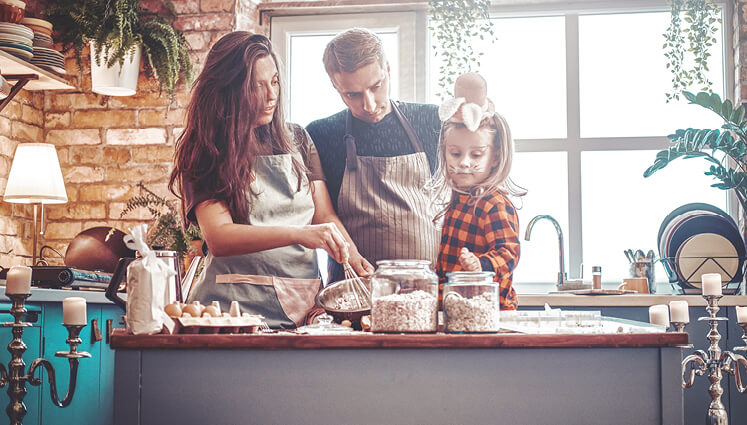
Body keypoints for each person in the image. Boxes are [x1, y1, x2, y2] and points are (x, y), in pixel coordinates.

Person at [169, 31, 368, 328]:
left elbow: (323, 215)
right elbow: (219, 237)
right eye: (256, 86)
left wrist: (355, 259)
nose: (271, 95)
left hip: (302, 309)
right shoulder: (205, 149)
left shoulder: (297, 139)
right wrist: (299, 233)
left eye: (274, 81)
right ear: (229, 89)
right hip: (229, 313)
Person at [306, 28, 442, 282]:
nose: (369, 105)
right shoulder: (320, 134)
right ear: (335, 86)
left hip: (430, 289)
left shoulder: (431, 120)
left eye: (376, 86)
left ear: (387, 69)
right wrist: (350, 254)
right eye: (353, 95)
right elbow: (321, 214)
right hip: (355, 291)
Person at [433, 72, 526, 310]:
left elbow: (509, 253)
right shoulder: (459, 199)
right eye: (455, 153)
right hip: (458, 309)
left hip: (490, 312)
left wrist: (481, 265)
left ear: (495, 157)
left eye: (476, 154)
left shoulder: (493, 203)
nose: (464, 162)